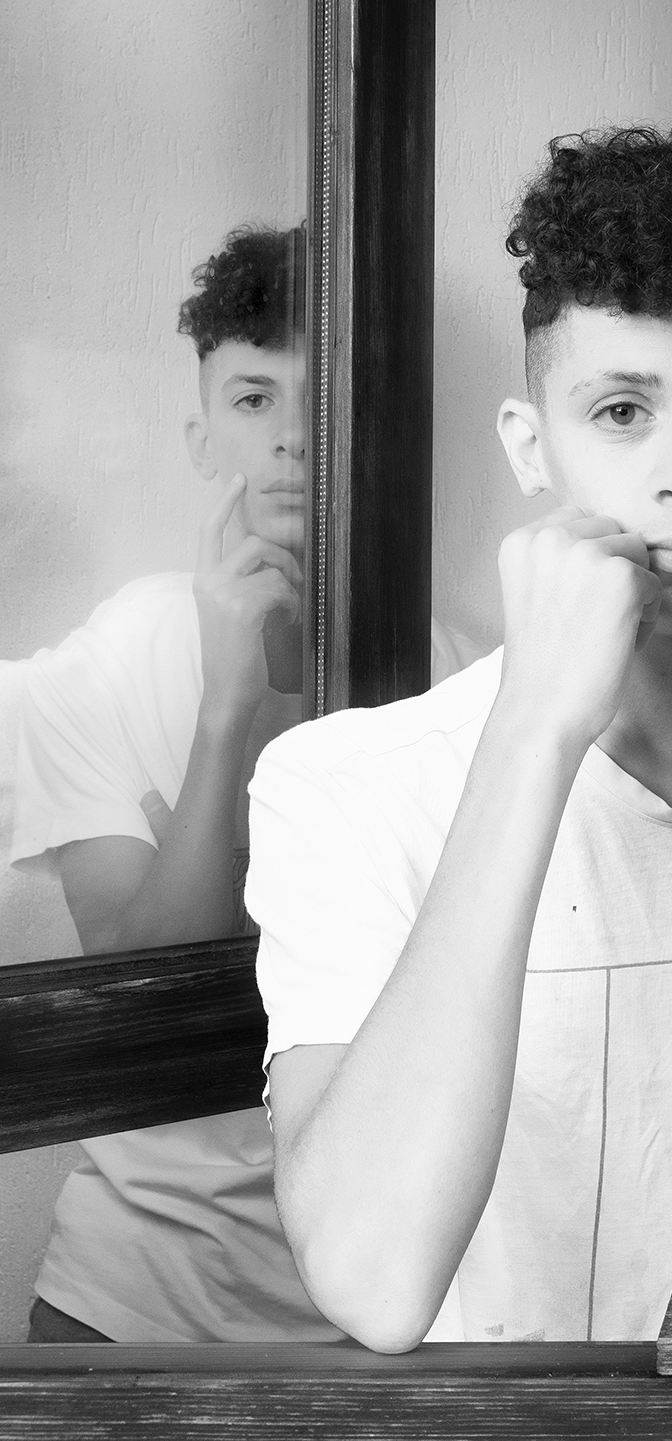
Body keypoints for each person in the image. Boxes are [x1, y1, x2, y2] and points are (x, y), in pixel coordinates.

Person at [247, 123, 672, 1350]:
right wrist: (534, 729)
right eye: (624, 410)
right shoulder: (340, 787)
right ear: (528, 446)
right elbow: (371, 1281)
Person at [12, 225, 480, 1343]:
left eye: (322, 401)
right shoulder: (109, 660)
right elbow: (135, 988)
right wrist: (227, 711)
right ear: (202, 436)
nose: (290, 439)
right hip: (129, 1293)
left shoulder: (463, 677)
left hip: (374, 1306)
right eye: (254, 399)